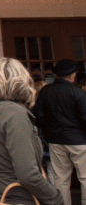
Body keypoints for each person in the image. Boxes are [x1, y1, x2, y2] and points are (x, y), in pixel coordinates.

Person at [0, 58, 63, 205]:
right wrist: (55, 198)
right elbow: (28, 175)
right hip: (17, 198)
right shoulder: (13, 112)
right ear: (20, 80)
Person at [35, 59, 86, 205]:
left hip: (56, 141)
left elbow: (40, 117)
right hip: (79, 141)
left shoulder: (45, 91)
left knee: (61, 180)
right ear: (71, 76)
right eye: (74, 74)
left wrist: (47, 133)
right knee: (85, 178)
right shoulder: (77, 92)